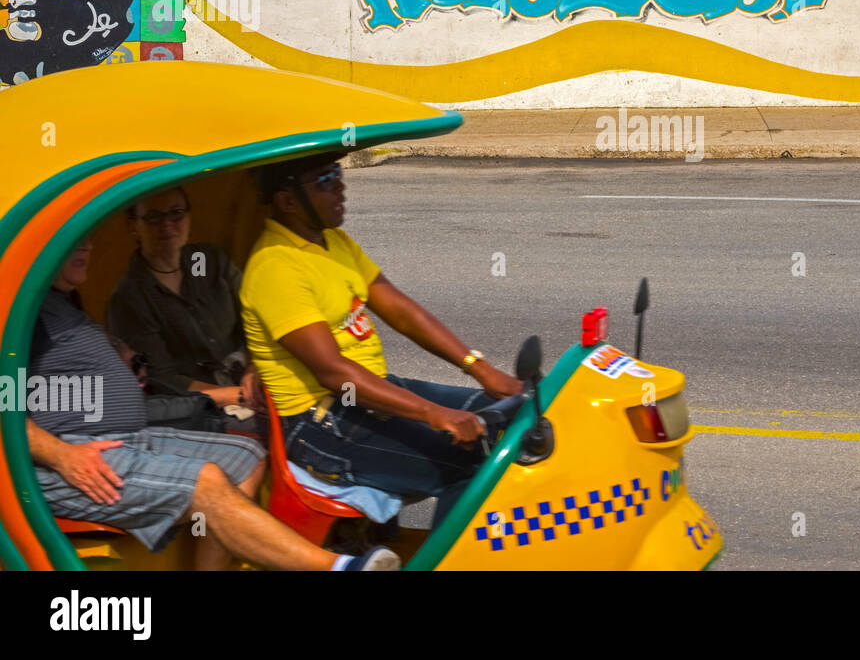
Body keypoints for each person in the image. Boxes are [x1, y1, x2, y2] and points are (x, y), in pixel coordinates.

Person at [27, 240, 399, 570]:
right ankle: (337, 567)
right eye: (70, 241)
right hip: (65, 457)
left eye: (86, 238)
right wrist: (61, 455)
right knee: (205, 481)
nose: (87, 246)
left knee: (245, 454)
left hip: (120, 435)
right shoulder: (19, 308)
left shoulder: (57, 301)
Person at [240, 152, 523, 524]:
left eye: (337, 173)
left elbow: (402, 312)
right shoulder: (275, 267)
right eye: (324, 180)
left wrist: (480, 369)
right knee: (473, 461)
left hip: (372, 392)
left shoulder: (333, 241)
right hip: (321, 426)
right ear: (287, 201)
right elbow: (333, 372)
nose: (340, 186)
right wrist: (434, 414)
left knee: (520, 416)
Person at [107, 186, 252, 410]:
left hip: (253, 377)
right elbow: (163, 378)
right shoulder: (130, 297)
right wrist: (239, 396)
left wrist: (254, 371)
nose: (167, 225)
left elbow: (254, 318)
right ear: (133, 226)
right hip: (199, 405)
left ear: (189, 217)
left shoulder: (204, 260)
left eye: (176, 213)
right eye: (153, 217)